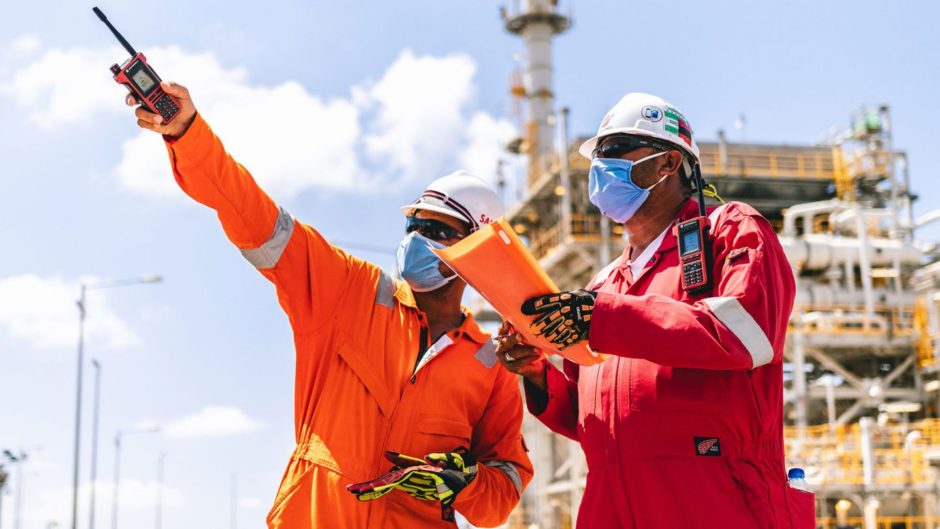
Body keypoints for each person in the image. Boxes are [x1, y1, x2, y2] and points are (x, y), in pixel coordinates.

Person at [127, 81, 532, 528]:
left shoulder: (491, 364)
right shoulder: (346, 290)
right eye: (412, 226)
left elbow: (503, 493)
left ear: (477, 249)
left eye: (437, 231)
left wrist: (466, 482)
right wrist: (188, 134)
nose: (417, 240)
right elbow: (252, 213)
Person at [497, 92, 813, 528]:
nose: (600, 166)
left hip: (715, 501)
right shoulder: (606, 284)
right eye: (597, 155)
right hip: (612, 504)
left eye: (614, 151)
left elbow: (748, 334)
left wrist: (600, 317)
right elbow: (590, 416)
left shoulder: (731, 230)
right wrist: (536, 372)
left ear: (668, 163)